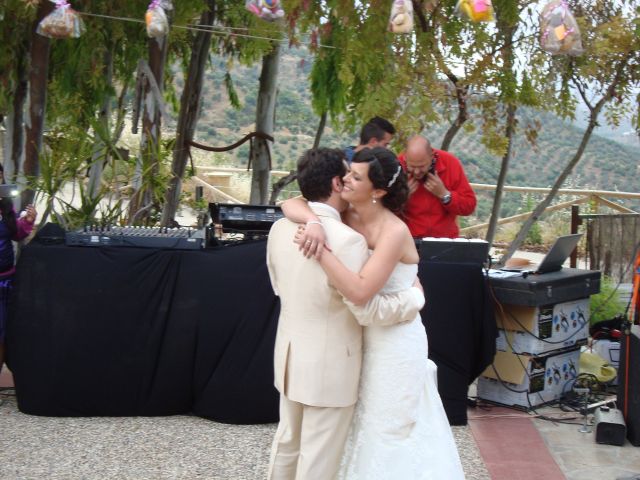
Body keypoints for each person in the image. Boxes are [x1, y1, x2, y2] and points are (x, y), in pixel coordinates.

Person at [283, 147, 465, 479]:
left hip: (395, 341)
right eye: (347, 173)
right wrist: (312, 222)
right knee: (356, 426)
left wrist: (321, 251)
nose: (345, 181)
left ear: (378, 191)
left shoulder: (393, 231)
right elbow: (290, 202)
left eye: (355, 176)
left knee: (387, 428)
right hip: (359, 338)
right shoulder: (346, 212)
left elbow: (360, 292)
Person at [398, 135, 476, 238]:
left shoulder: (450, 163)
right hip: (407, 240)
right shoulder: (397, 166)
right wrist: (401, 197)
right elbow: (383, 212)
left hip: (444, 241)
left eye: (422, 166)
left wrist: (445, 195)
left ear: (432, 156)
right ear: (405, 157)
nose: (416, 172)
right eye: (411, 166)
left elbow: (469, 206)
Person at [0, 165, 37, 380]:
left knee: (1, 334)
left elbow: (16, 234)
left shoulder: (6, 207)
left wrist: (28, 221)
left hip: (4, 282)